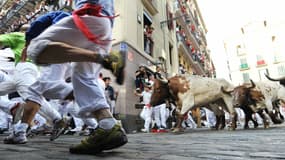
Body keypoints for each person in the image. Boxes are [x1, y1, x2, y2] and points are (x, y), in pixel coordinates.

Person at [8, 0, 127, 155]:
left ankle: (102, 58)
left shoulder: (52, 17)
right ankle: (107, 125)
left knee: (35, 49)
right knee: (83, 78)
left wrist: (29, 41)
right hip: (103, 28)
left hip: (87, 17)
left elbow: (40, 27)